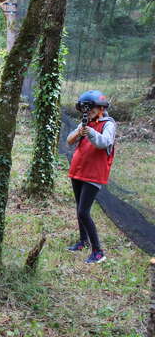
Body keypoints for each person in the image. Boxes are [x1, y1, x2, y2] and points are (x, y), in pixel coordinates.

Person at [65, 90, 116, 264]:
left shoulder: (108, 124)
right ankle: (83, 241)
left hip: (94, 174)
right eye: (86, 108)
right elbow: (69, 140)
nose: (89, 111)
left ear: (101, 107)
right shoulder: (84, 123)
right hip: (78, 170)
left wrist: (90, 132)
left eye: (92, 107)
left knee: (83, 212)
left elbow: (104, 143)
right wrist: (80, 131)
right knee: (79, 209)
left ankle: (98, 251)